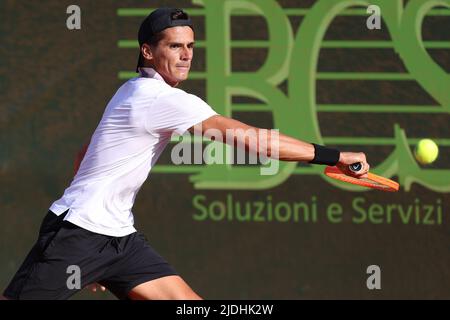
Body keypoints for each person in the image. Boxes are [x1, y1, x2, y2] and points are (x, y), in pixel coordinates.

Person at [2, 7, 369, 300]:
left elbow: (85, 155)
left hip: (116, 237)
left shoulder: (131, 90)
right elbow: (253, 141)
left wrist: (98, 259)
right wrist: (332, 156)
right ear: (148, 51)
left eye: (191, 46)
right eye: (175, 46)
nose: (186, 55)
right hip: (76, 234)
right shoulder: (158, 98)